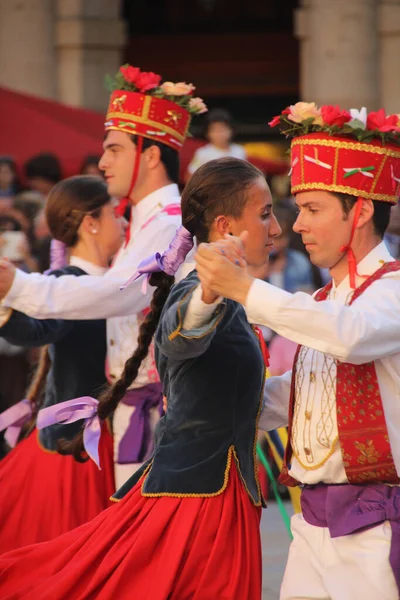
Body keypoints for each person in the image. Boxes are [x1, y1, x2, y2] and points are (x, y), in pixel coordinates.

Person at [0, 157, 281, 599]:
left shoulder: (224, 292)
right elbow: (176, 338)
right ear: (226, 225)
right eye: (265, 214)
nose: (278, 228)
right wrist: (207, 295)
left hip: (214, 493)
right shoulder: (195, 290)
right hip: (196, 499)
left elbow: (234, 393)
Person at [195, 103, 400, 600]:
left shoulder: (392, 290)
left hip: (375, 523)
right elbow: (300, 396)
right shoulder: (322, 302)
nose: (296, 225)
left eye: (312, 209)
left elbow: (350, 336)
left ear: (363, 210)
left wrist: (246, 289)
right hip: (311, 524)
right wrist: (202, 403)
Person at [0, 64, 207, 489]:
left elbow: (123, 293)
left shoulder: (169, 224)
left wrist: (20, 286)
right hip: (134, 413)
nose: (102, 161)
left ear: (150, 155)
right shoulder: (143, 224)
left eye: (114, 149)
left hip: (157, 415)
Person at [0, 175, 124, 552]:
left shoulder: (128, 282)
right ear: (91, 223)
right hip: (79, 451)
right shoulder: (65, 282)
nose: (122, 223)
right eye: (115, 215)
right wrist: (7, 301)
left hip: (116, 440)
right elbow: (37, 329)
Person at [186, 108, 247, 180]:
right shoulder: (203, 153)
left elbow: (246, 175)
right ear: (207, 133)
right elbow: (190, 176)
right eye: (215, 130)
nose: (219, 134)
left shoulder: (239, 151)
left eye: (223, 130)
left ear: (231, 130)